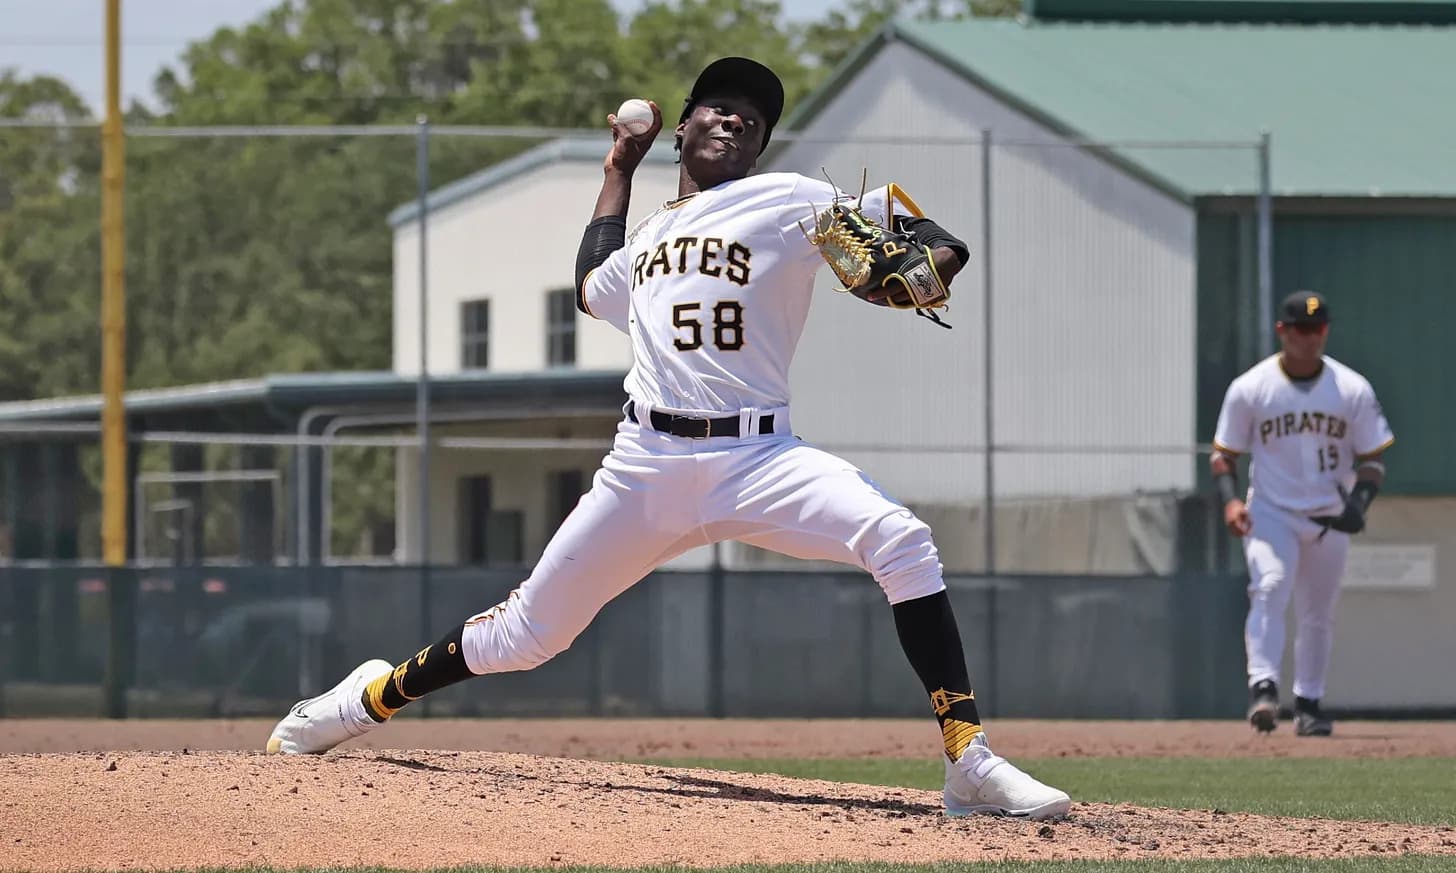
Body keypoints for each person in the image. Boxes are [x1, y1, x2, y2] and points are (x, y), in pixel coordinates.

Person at [267, 57, 1070, 820]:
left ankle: (967, 760)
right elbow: (591, 284)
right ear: (682, 127)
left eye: (753, 120)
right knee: (524, 636)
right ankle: (362, 699)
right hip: (645, 467)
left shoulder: (792, 199)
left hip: (759, 458)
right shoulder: (647, 240)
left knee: (901, 538)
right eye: (721, 108)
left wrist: (936, 254)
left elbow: (914, 233)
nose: (736, 122)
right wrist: (618, 166)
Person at [1211, 291, 1393, 737]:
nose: (1310, 338)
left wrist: (1359, 503)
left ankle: (1309, 703)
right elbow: (1223, 455)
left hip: (1329, 514)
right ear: (1282, 331)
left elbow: (1372, 460)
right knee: (1270, 585)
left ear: (1326, 331)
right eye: (1301, 330)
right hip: (1271, 511)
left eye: (1317, 329)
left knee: (1318, 612)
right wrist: (1232, 500)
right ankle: (1264, 687)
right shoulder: (1252, 387)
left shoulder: (1351, 388)